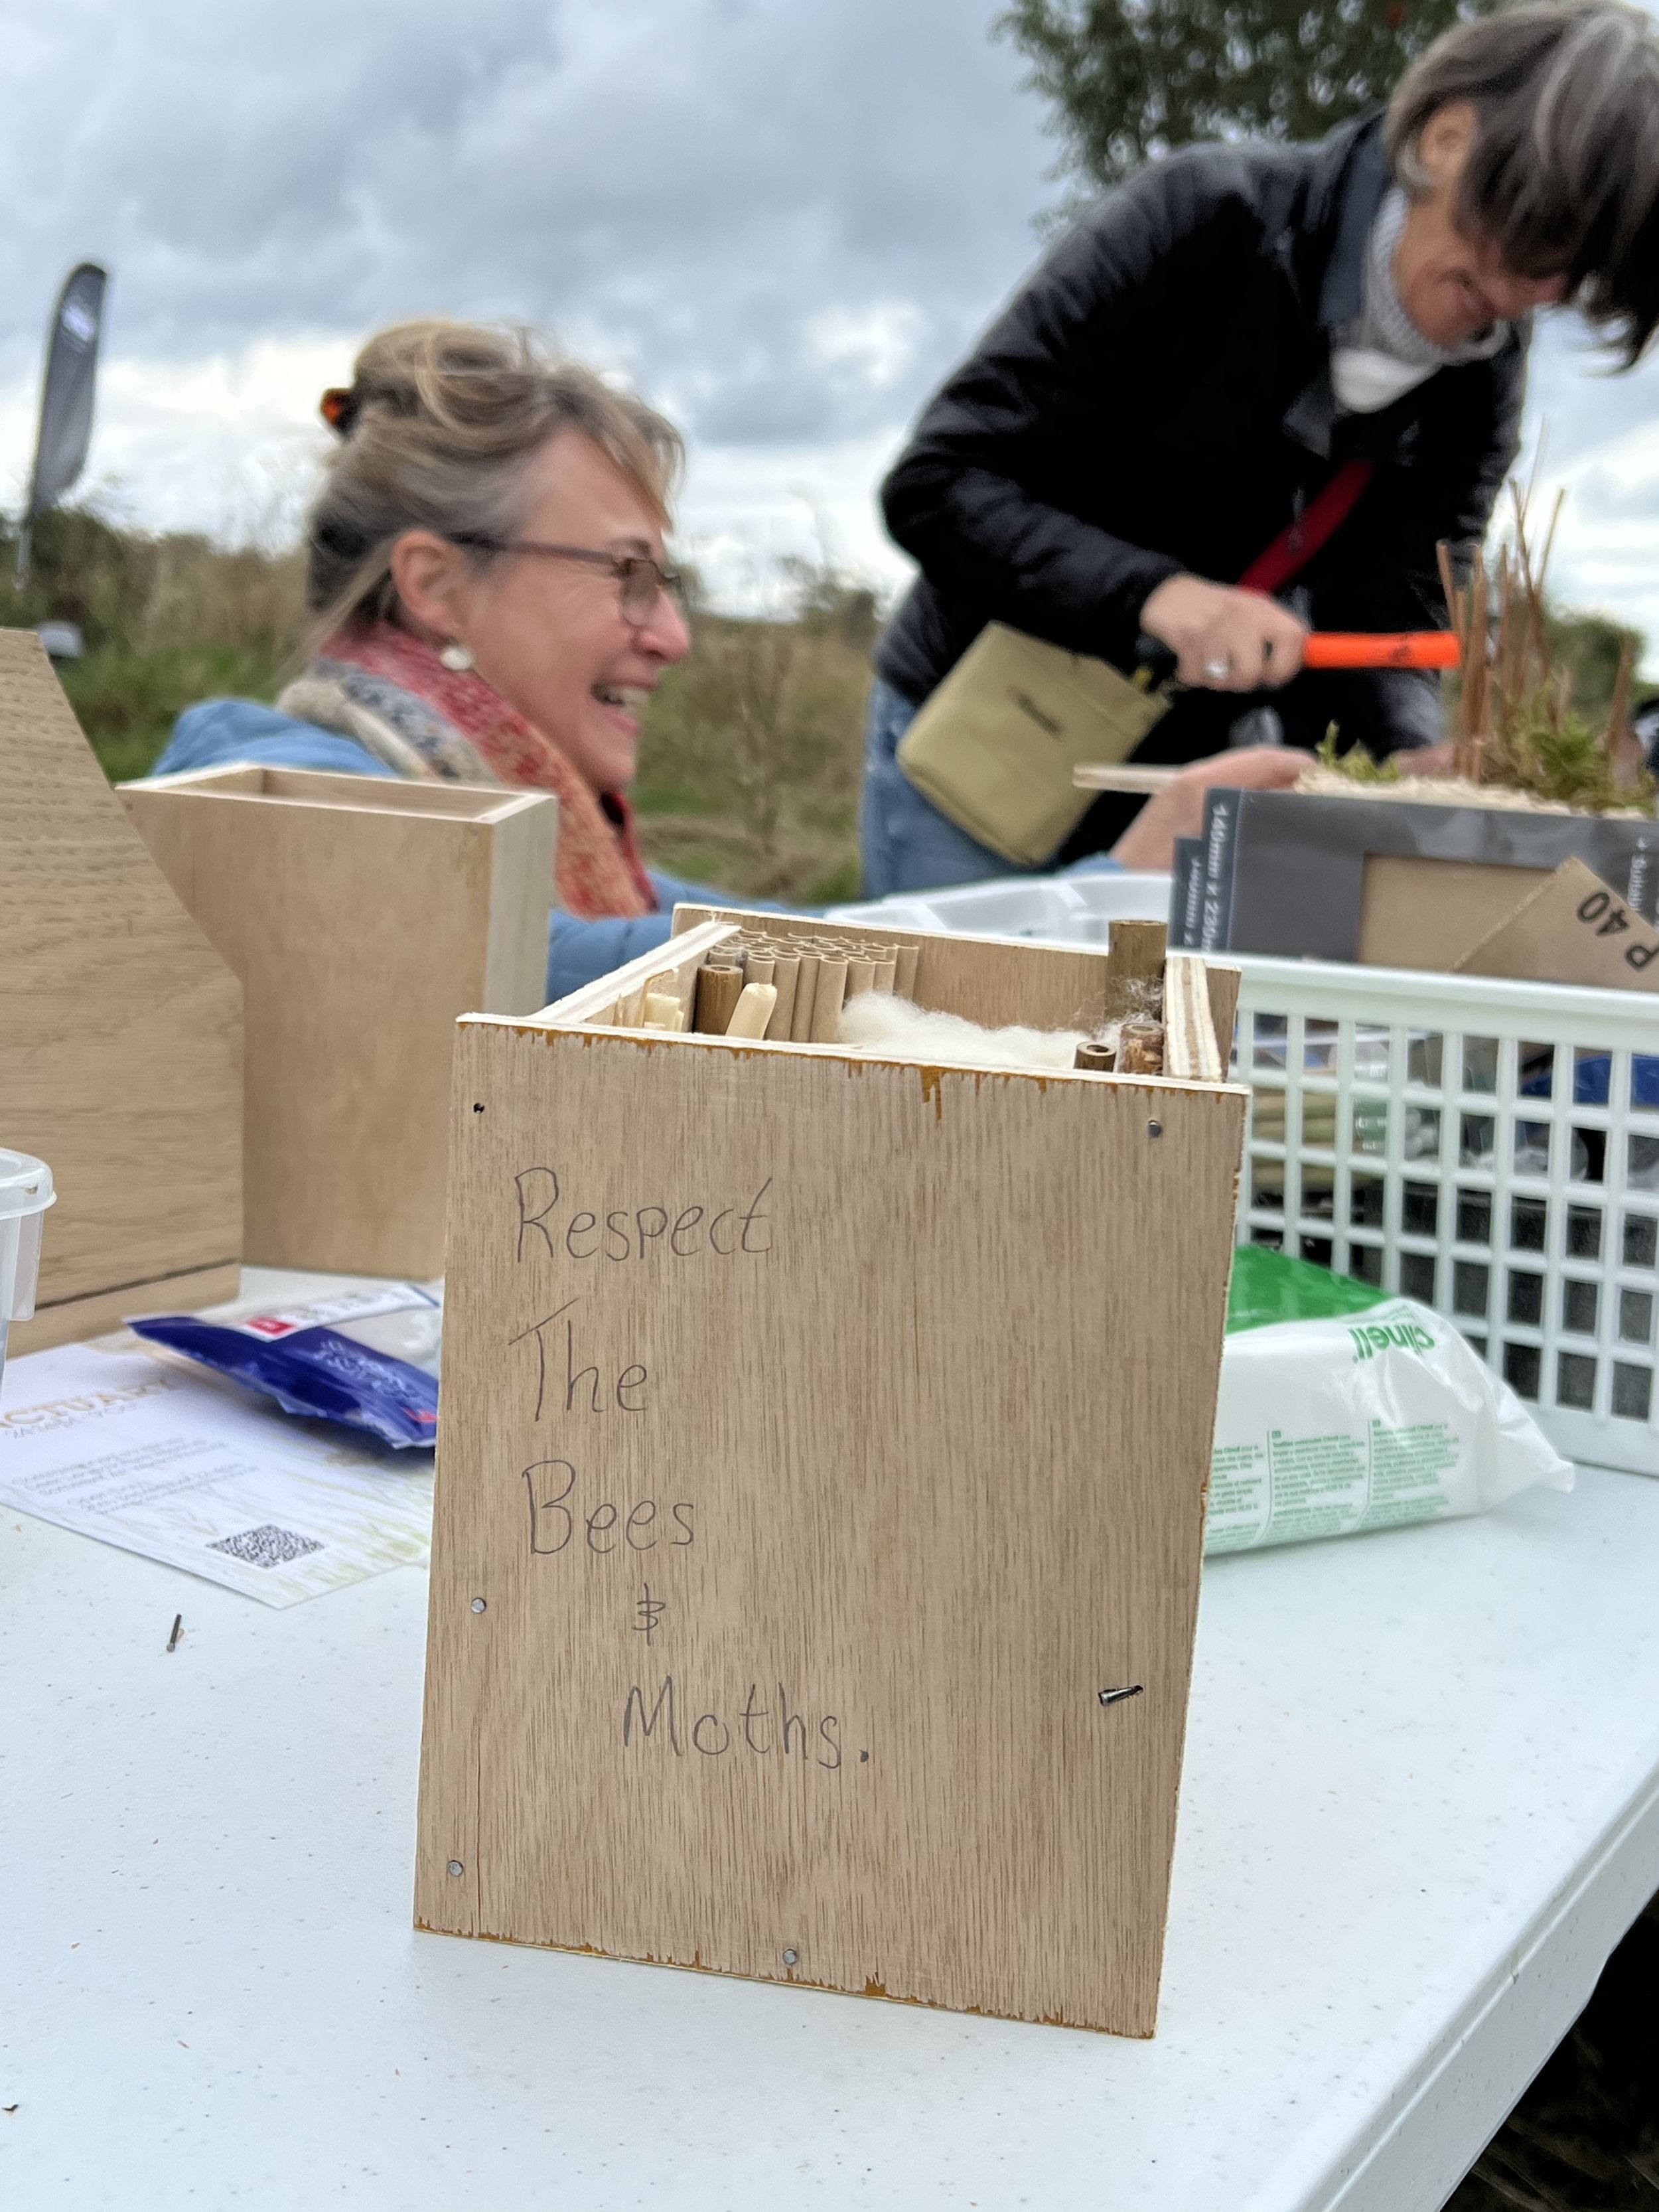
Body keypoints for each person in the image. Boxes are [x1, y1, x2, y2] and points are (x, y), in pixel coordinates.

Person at [863, 0, 1659, 897]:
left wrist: (1408, 751)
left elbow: (1406, 598)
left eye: (1574, 273)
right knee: (955, 1021)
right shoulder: (1207, 218)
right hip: (989, 753)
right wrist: (1160, 598)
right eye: (1536, 233)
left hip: (1191, 800)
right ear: (1447, 138)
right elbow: (938, 484)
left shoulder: (1483, 374)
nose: (1532, 291)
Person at [156, 319, 720, 999]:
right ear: (435, 586)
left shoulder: (557, 840)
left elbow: (684, 916)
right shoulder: (276, 796)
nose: (673, 636)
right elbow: (489, 948)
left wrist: (865, 933)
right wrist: (830, 966)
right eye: (627, 575)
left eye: (662, 584)